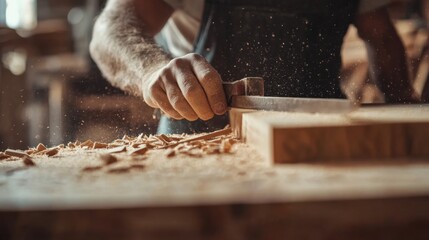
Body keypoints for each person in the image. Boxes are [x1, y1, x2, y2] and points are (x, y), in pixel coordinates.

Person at [90, 0, 420, 134]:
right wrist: (150, 69)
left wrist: (405, 105)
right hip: (198, 141)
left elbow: (380, 36)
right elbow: (109, 31)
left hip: (319, 136)